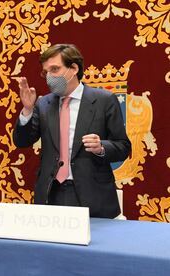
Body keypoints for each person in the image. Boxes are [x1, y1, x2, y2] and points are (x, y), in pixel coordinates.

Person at [13, 44, 131, 218]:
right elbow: (22, 142)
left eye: (55, 69)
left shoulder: (104, 100)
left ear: (74, 68)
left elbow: (123, 147)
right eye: (46, 72)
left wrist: (101, 147)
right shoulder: (43, 103)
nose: (49, 77)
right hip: (51, 193)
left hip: (92, 194)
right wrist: (28, 111)